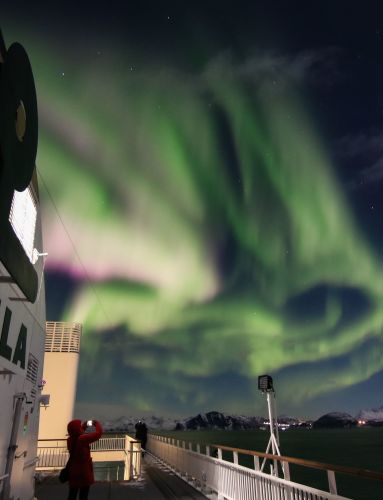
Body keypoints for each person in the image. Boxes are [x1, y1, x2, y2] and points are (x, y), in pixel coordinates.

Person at [66, 419, 103, 500]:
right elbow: (98, 434)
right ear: (77, 429)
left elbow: (77, 432)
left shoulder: (70, 439)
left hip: (73, 471)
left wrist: (84, 425)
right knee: (83, 496)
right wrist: (96, 423)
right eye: (79, 426)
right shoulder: (82, 439)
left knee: (72, 495)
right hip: (83, 472)